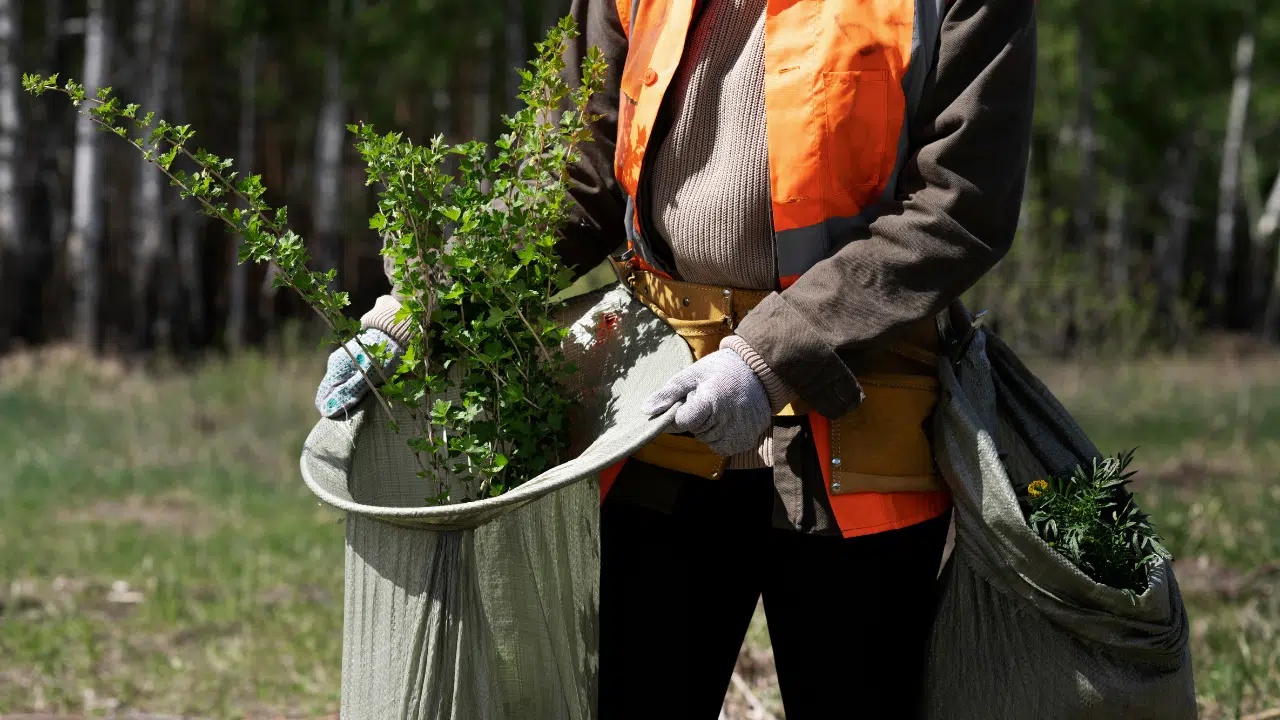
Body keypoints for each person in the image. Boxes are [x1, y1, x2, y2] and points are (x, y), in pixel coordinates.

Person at [316, 0, 1036, 714]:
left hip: (863, 418)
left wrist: (764, 358)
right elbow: (578, 175)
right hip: (656, 415)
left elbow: (959, 205)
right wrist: (427, 308)